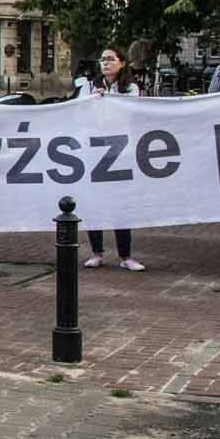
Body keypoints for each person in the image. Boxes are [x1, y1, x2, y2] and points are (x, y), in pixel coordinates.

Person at [80, 47, 146, 272]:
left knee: (121, 204)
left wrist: (106, 101)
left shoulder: (131, 88)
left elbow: (127, 114)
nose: (105, 63)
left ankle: (126, 255)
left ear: (122, 63)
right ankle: (97, 252)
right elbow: (80, 113)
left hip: (119, 152)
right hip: (95, 151)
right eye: (102, 59)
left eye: (110, 59)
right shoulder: (88, 87)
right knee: (94, 203)